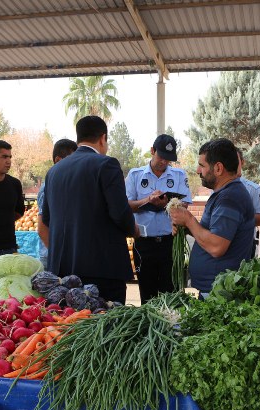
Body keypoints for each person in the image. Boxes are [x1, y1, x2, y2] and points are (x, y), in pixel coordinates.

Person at [42, 116, 136, 304]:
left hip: (63, 272)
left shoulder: (54, 171)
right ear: (103, 138)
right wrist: (134, 229)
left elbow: (47, 219)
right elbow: (120, 213)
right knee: (107, 327)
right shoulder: (106, 164)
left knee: (69, 327)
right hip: (102, 270)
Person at [169, 138, 254, 298]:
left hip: (219, 293)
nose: (197, 170)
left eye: (202, 165)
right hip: (213, 290)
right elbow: (213, 235)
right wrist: (188, 228)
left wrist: (188, 219)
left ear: (218, 168)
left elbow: (217, 246)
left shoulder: (230, 198)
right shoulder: (225, 193)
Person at [125, 134, 192, 304]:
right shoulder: (135, 175)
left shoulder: (178, 175)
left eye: (169, 159)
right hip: (144, 242)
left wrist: (166, 204)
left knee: (170, 292)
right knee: (147, 293)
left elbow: (185, 205)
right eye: (161, 157)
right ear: (152, 151)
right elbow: (126, 206)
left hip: (171, 242)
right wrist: (147, 200)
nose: (164, 162)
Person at [37, 138, 78, 269]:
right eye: (72, 160)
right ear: (58, 160)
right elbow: (42, 228)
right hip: (50, 257)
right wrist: (57, 254)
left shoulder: (65, 184)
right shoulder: (48, 187)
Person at [235, 148, 260, 257]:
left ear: (242, 162)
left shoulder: (254, 189)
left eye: (235, 160)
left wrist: (235, 219)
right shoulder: (215, 189)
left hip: (243, 245)